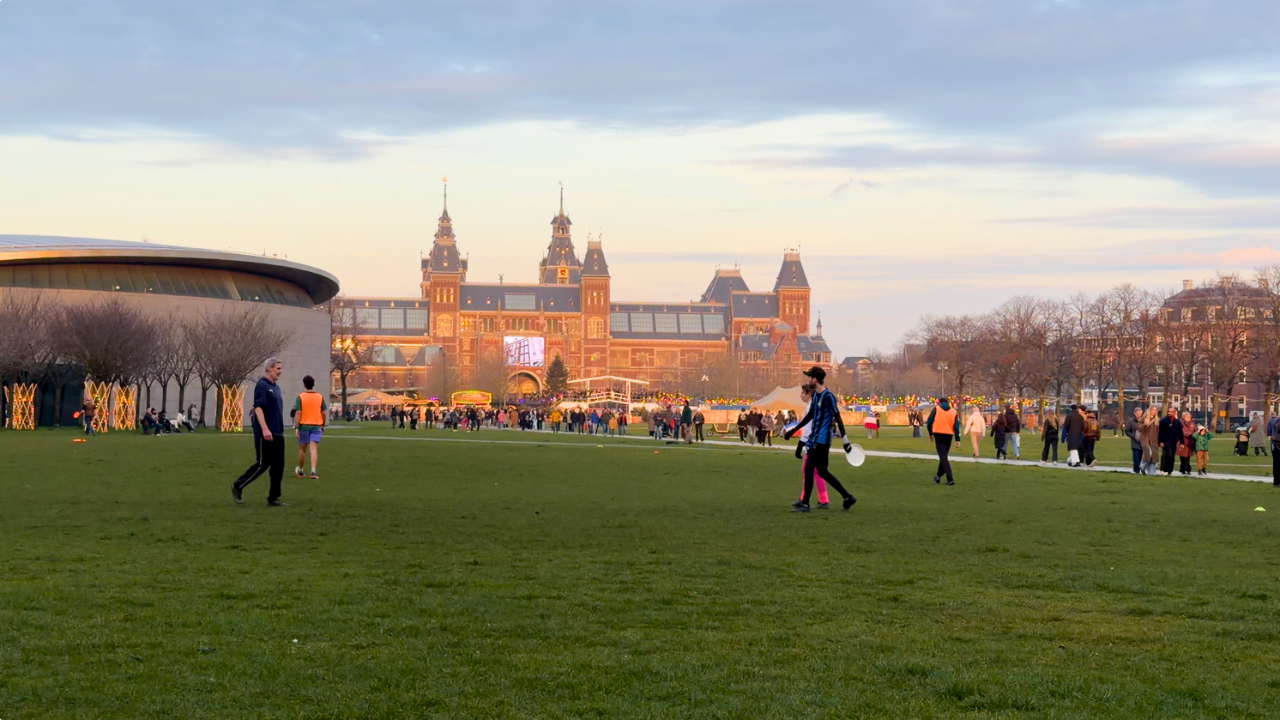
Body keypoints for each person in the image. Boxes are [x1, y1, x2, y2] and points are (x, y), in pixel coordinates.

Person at [782, 366, 856, 512]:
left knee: (809, 468)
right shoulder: (816, 395)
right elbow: (810, 416)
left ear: (815, 379)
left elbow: (837, 417)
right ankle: (848, 497)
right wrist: (793, 431)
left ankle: (805, 504)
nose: (808, 380)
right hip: (817, 439)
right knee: (822, 471)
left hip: (821, 441)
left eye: (810, 377)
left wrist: (845, 439)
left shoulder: (828, 396)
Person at [232, 358, 288, 506]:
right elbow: (258, 408)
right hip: (266, 433)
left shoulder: (275, 387)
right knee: (263, 464)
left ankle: (273, 497)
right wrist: (264, 429)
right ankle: (238, 485)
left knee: (278, 466)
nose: (280, 372)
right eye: (278, 368)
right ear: (269, 368)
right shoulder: (262, 386)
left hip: (278, 433)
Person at [792, 384, 830, 509]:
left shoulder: (810, 407)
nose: (801, 395)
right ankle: (821, 499)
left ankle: (806, 499)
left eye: (803, 393)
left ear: (808, 394)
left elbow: (808, 428)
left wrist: (802, 442)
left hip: (812, 442)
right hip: (817, 441)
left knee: (807, 470)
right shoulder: (815, 406)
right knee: (816, 472)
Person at [292, 374, 327, 480]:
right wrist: (323, 425)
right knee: (313, 449)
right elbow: (323, 413)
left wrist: (296, 427)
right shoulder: (320, 396)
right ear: (313, 384)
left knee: (303, 449)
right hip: (316, 425)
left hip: (303, 426)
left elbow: (298, 412)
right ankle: (313, 471)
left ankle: (301, 470)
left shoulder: (300, 397)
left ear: (304, 384)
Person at [926, 397, 961, 485]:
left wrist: (930, 434)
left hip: (938, 435)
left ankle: (950, 479)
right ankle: (938, 476)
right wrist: (957, 439)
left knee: (943, 458)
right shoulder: (953, 412)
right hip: (949, 436)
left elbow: (929, 422)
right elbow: (956, 427)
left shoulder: (936, 409)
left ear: (940, 403)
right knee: (944, 457)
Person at [1157, 407, 1183, 476]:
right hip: (1165, 441)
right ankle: (1163, 469)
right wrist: (1160, 441)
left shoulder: (1177, 422)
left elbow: (1180, 433)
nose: (1169, 413)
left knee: (1172, 456)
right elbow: (1160, 432)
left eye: (1171, 412)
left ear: (1174, 413)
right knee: (1167, 454)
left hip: (1173, 441)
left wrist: (1182, 442)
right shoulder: (1163, 421)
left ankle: (1169, 471)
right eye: (1168, 411)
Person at [1140, 406, 1161, 474]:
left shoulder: (1157, 420)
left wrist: (1159, 440)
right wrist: (1145, 424)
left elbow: (1159, 431)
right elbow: (1139, 428)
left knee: (1153, 458)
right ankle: (1142, 466)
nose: (1154, 411)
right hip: (1145, 439)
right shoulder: (1144, 418)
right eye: (1153, 410)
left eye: (1155, 410)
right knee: (1149, 454)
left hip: (1154, 440)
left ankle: (1151, 473)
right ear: (1149, 410)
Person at [1124, 407, 1144, 474]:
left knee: (1141, 457)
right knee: (1136, 457)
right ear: (1134, 413)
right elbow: (1127, 431)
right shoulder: (1130, 421)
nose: (1139, 415)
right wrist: (1133, 436)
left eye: (1140, 413)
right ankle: (1136, 470)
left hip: (1143, 442)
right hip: (1134, 442)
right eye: (1138, 413)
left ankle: (1139, 468)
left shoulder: (1143, 421)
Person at [1177, 411, 1195, 476]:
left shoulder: (1192, 424)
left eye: (1190, 417)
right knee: (1184, 457)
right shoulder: (1180, 423)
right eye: (1187, 417)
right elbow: (1181, 432)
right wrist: (1189, 434)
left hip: (1190, 443)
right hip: (1182, 442)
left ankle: (1182, 469)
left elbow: (1194, 430)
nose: (1189, 418)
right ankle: (1188, 469)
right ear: (1183, 417)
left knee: (1187, 457)